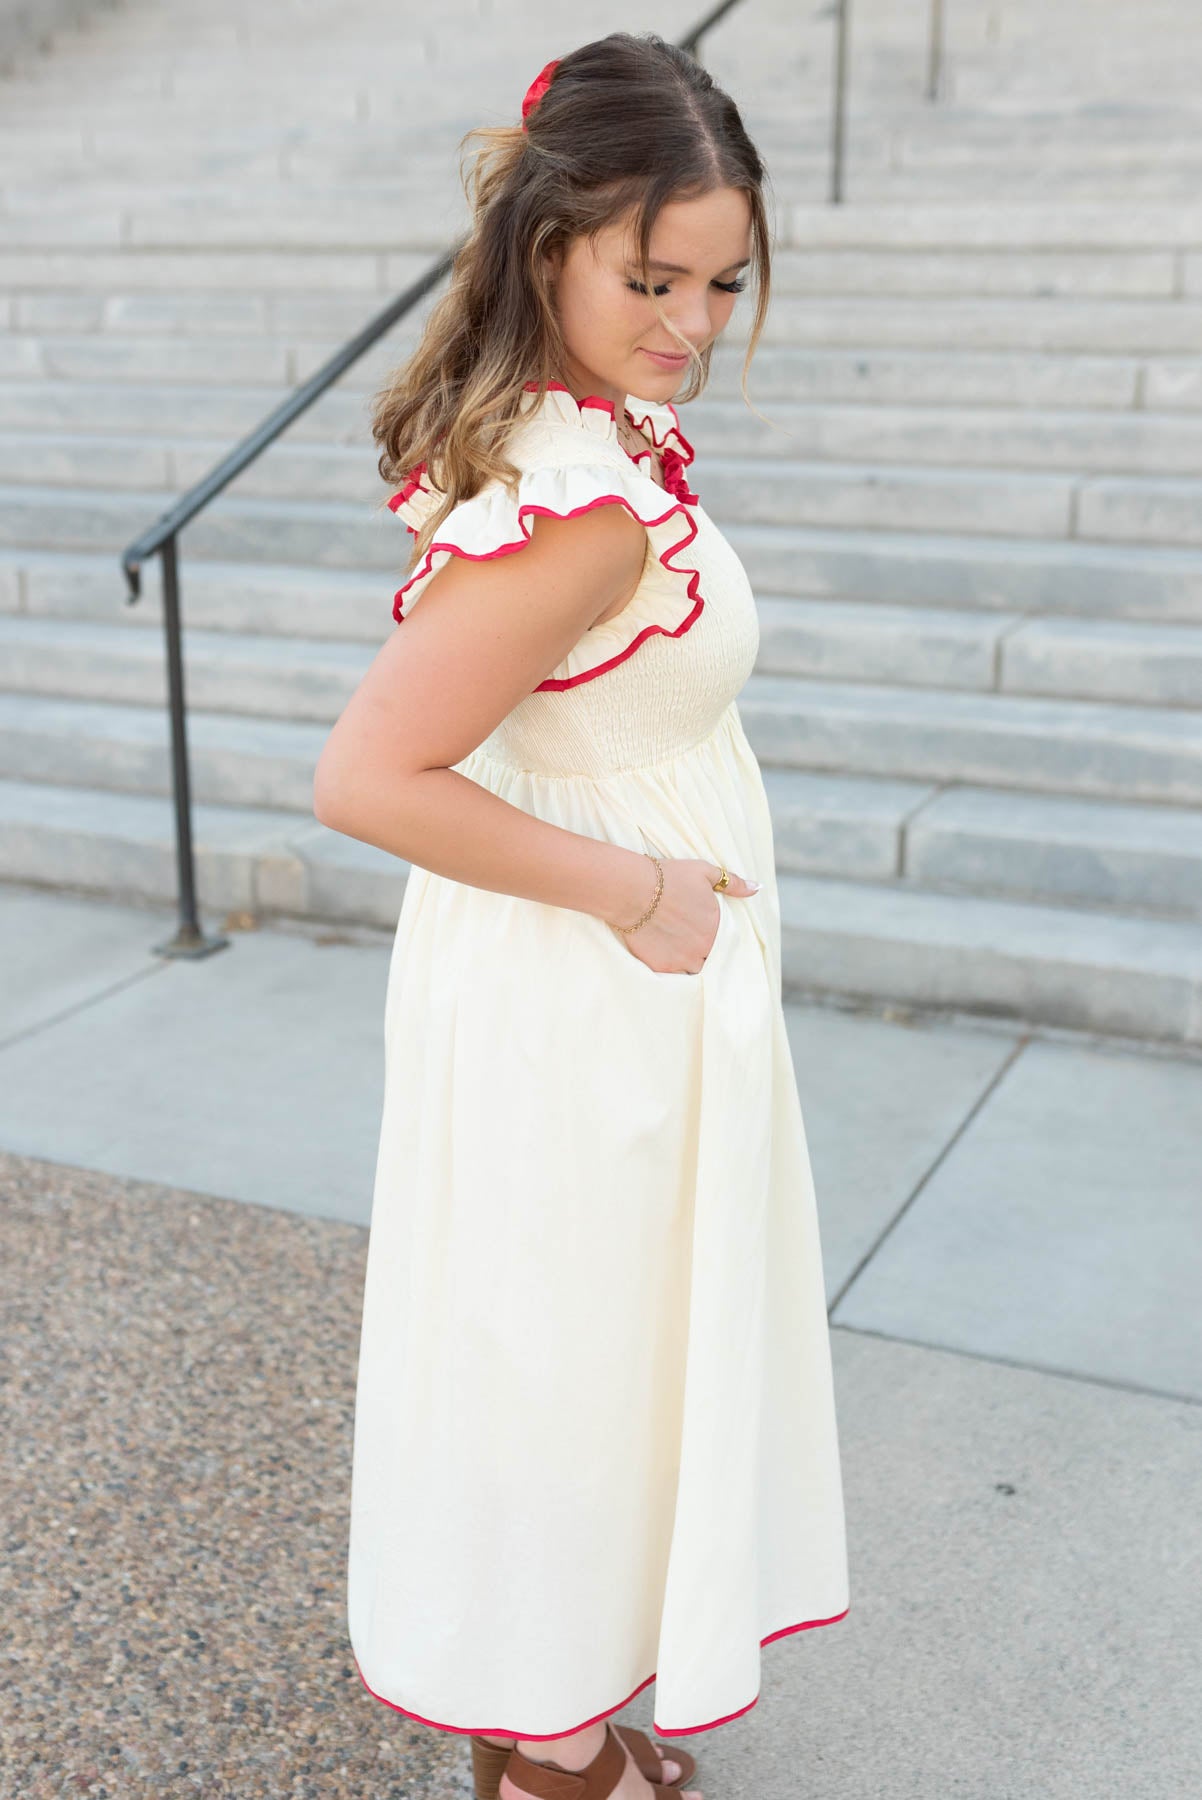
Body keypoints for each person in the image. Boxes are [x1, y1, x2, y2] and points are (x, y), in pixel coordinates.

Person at [313, 31, 850, 1800]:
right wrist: (643, 894)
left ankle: (557, 1696)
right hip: (591, 980)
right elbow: (369, 779)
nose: (692, 318)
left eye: (721, 279)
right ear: (548, 243)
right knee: (563, 1359)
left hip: (595, 972)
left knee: (587, 1346)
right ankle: (546, 1748)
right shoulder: (577, 511)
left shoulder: (587, 440)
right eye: (651, 277)